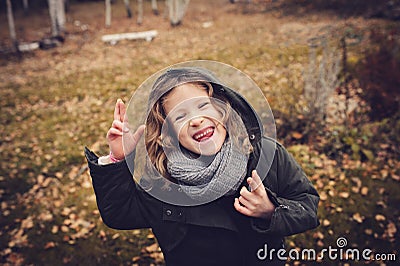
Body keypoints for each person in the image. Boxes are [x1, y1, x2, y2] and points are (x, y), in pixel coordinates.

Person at [85, 66, 320, 266]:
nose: (195, 120)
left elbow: (307, 206)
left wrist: (270, 211)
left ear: (223, 109)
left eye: (202, 106)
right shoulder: (161, 179)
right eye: (180, 116)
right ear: (168, 132)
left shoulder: (265, 155)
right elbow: (120, 214)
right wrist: (117, 159)